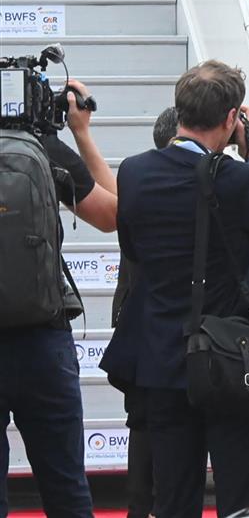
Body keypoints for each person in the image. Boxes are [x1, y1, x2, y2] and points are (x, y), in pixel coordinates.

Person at [103, 60, 249, 517]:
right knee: (242, 497)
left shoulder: (135, 173)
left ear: (179, 111)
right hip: (232, 361)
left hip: (161, 362)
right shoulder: (235, 177)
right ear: (232, 119)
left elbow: (133, 250)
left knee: (174, 499)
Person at [0, 82, 117, 517]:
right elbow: (112, 215)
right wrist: (81, 131)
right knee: (65, 486)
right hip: (42, 340)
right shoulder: (45, 148)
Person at [110, 106, 178, 518]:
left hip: (139, 331)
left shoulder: (137, 180)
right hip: (162, 336)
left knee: (143, 432)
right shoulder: (180, 189)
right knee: (159, 437)